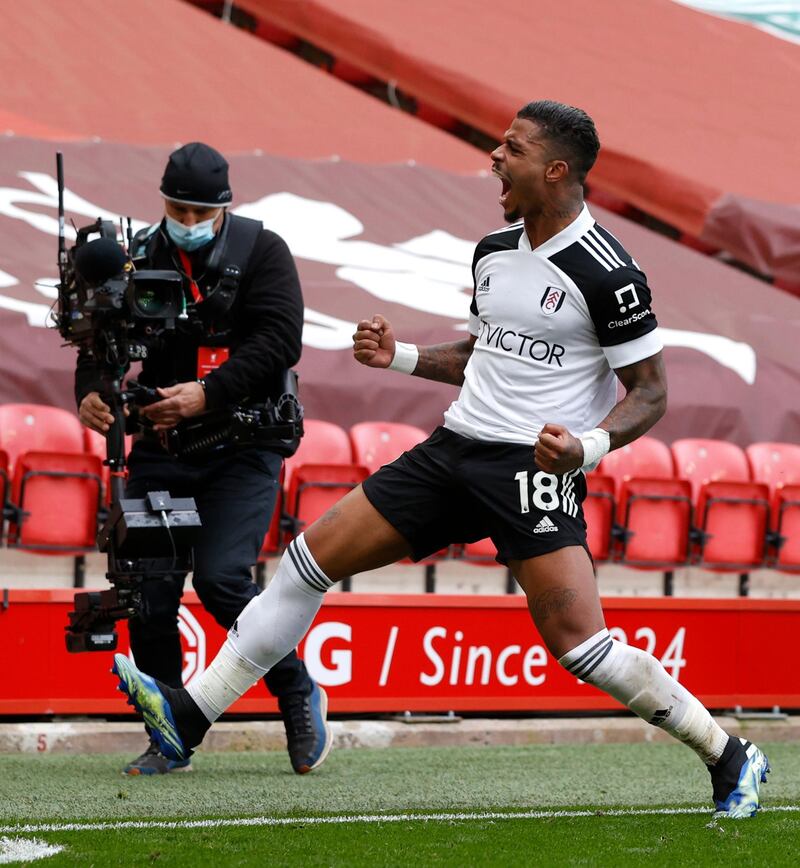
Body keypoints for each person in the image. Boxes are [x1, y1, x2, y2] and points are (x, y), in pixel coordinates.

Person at [111, 104, 768, 816]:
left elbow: (651, 392)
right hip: (454, 450)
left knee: (581, 648)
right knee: (308, 562)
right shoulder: (494, 250)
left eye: (512, 148)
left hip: (531, 471)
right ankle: (190, 716)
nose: (495, 156)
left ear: (555, 169)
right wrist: (402, 358)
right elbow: (487, 358)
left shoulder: (609, 273)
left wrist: (588, 446)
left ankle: (732, 756)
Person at [77, 142, 330, 776]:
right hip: (162, 446)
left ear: (224, 207)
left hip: (244, 445)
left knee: (221, 580)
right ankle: (169, 733)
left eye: (198, 210)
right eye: (176, 207)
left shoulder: (262, 251)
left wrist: (207, 395)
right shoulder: (136, 255)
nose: (186, 219)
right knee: (149, 594)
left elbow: (280, 342)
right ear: (162, 201)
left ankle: (297, 691)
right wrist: (88, 392)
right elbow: (97, 336)